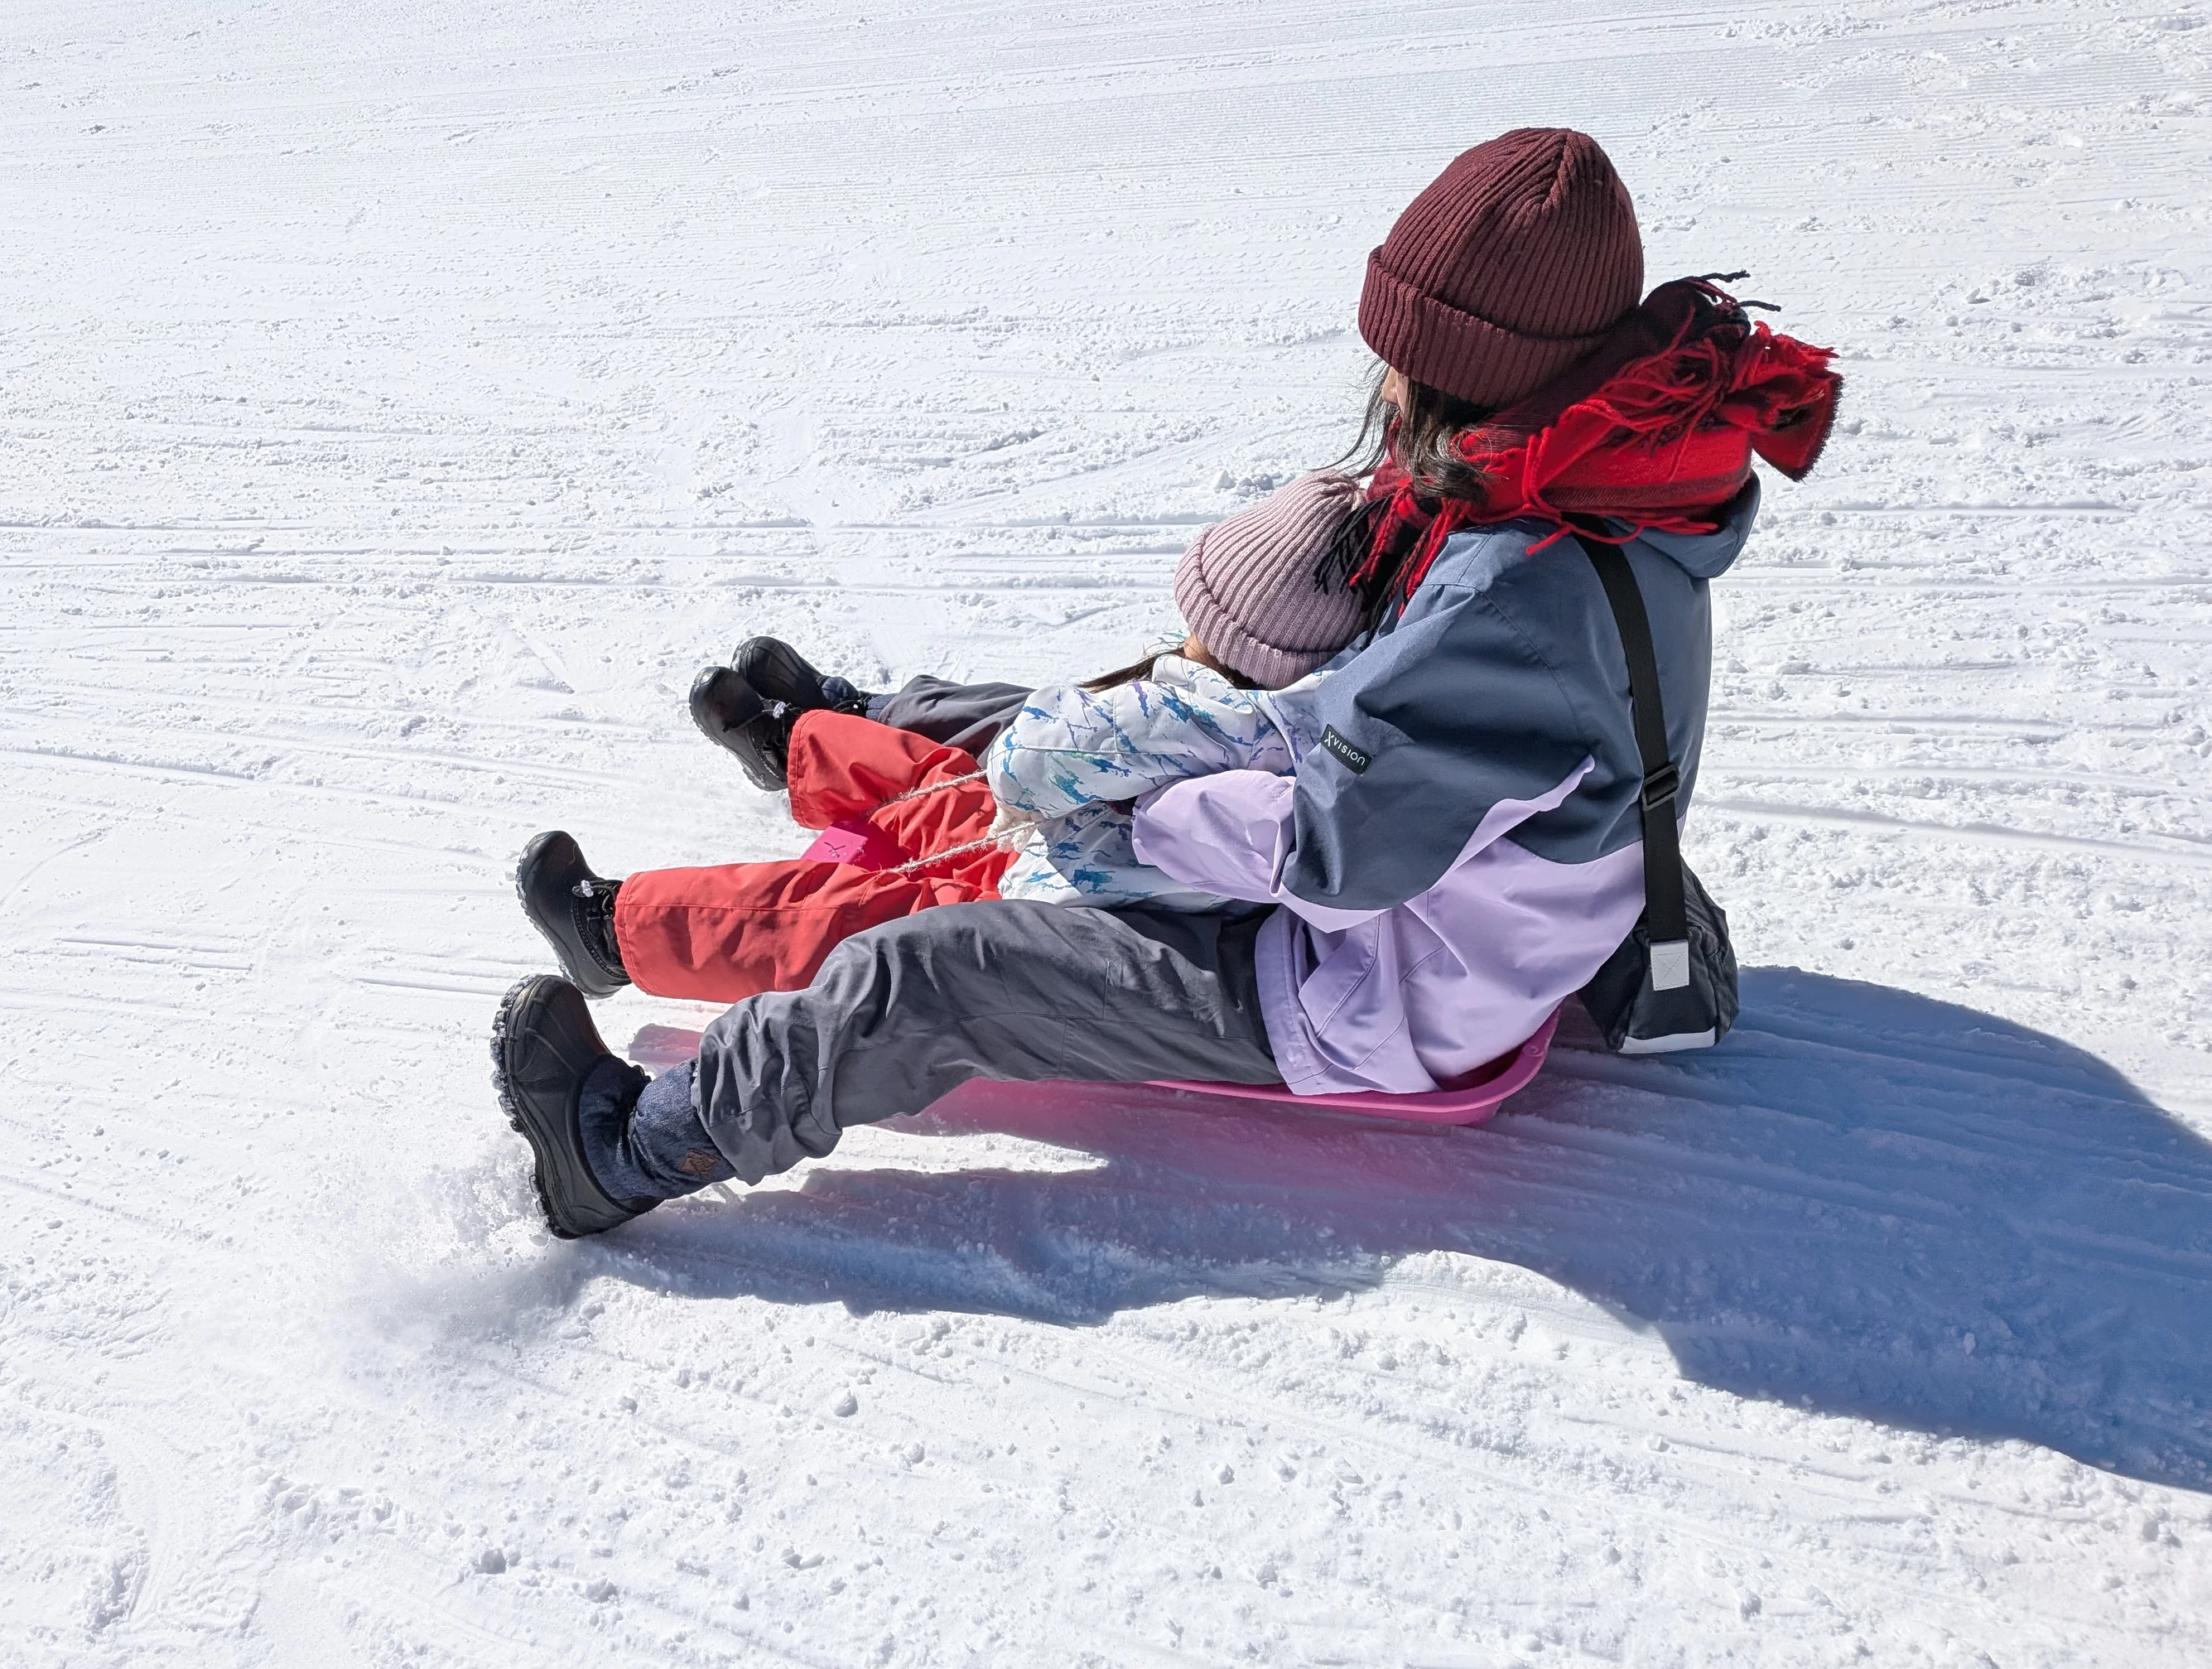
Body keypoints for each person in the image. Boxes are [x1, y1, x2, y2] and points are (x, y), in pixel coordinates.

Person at [489, 126, 1843, 1239]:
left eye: (1414, 356)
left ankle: (629, 1149)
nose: (1389, 380)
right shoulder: (1625, 487)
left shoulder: (1519, 589)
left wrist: (1131, 823)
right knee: (1083, 719)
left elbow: (1337, 855)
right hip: (1434, 896)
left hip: (1351, 987)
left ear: (1486, 369)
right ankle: (828, 731)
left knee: (934, 969)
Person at [514, 470, 1368, 1006]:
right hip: (1064, 850)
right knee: (939, 778)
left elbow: (1031, 761)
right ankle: (797, 745)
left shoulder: (1199, 718)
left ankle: (617, 936)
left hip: (1041, 909)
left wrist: (1116, 700)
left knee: (846, 918)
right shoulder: (1286, 715)